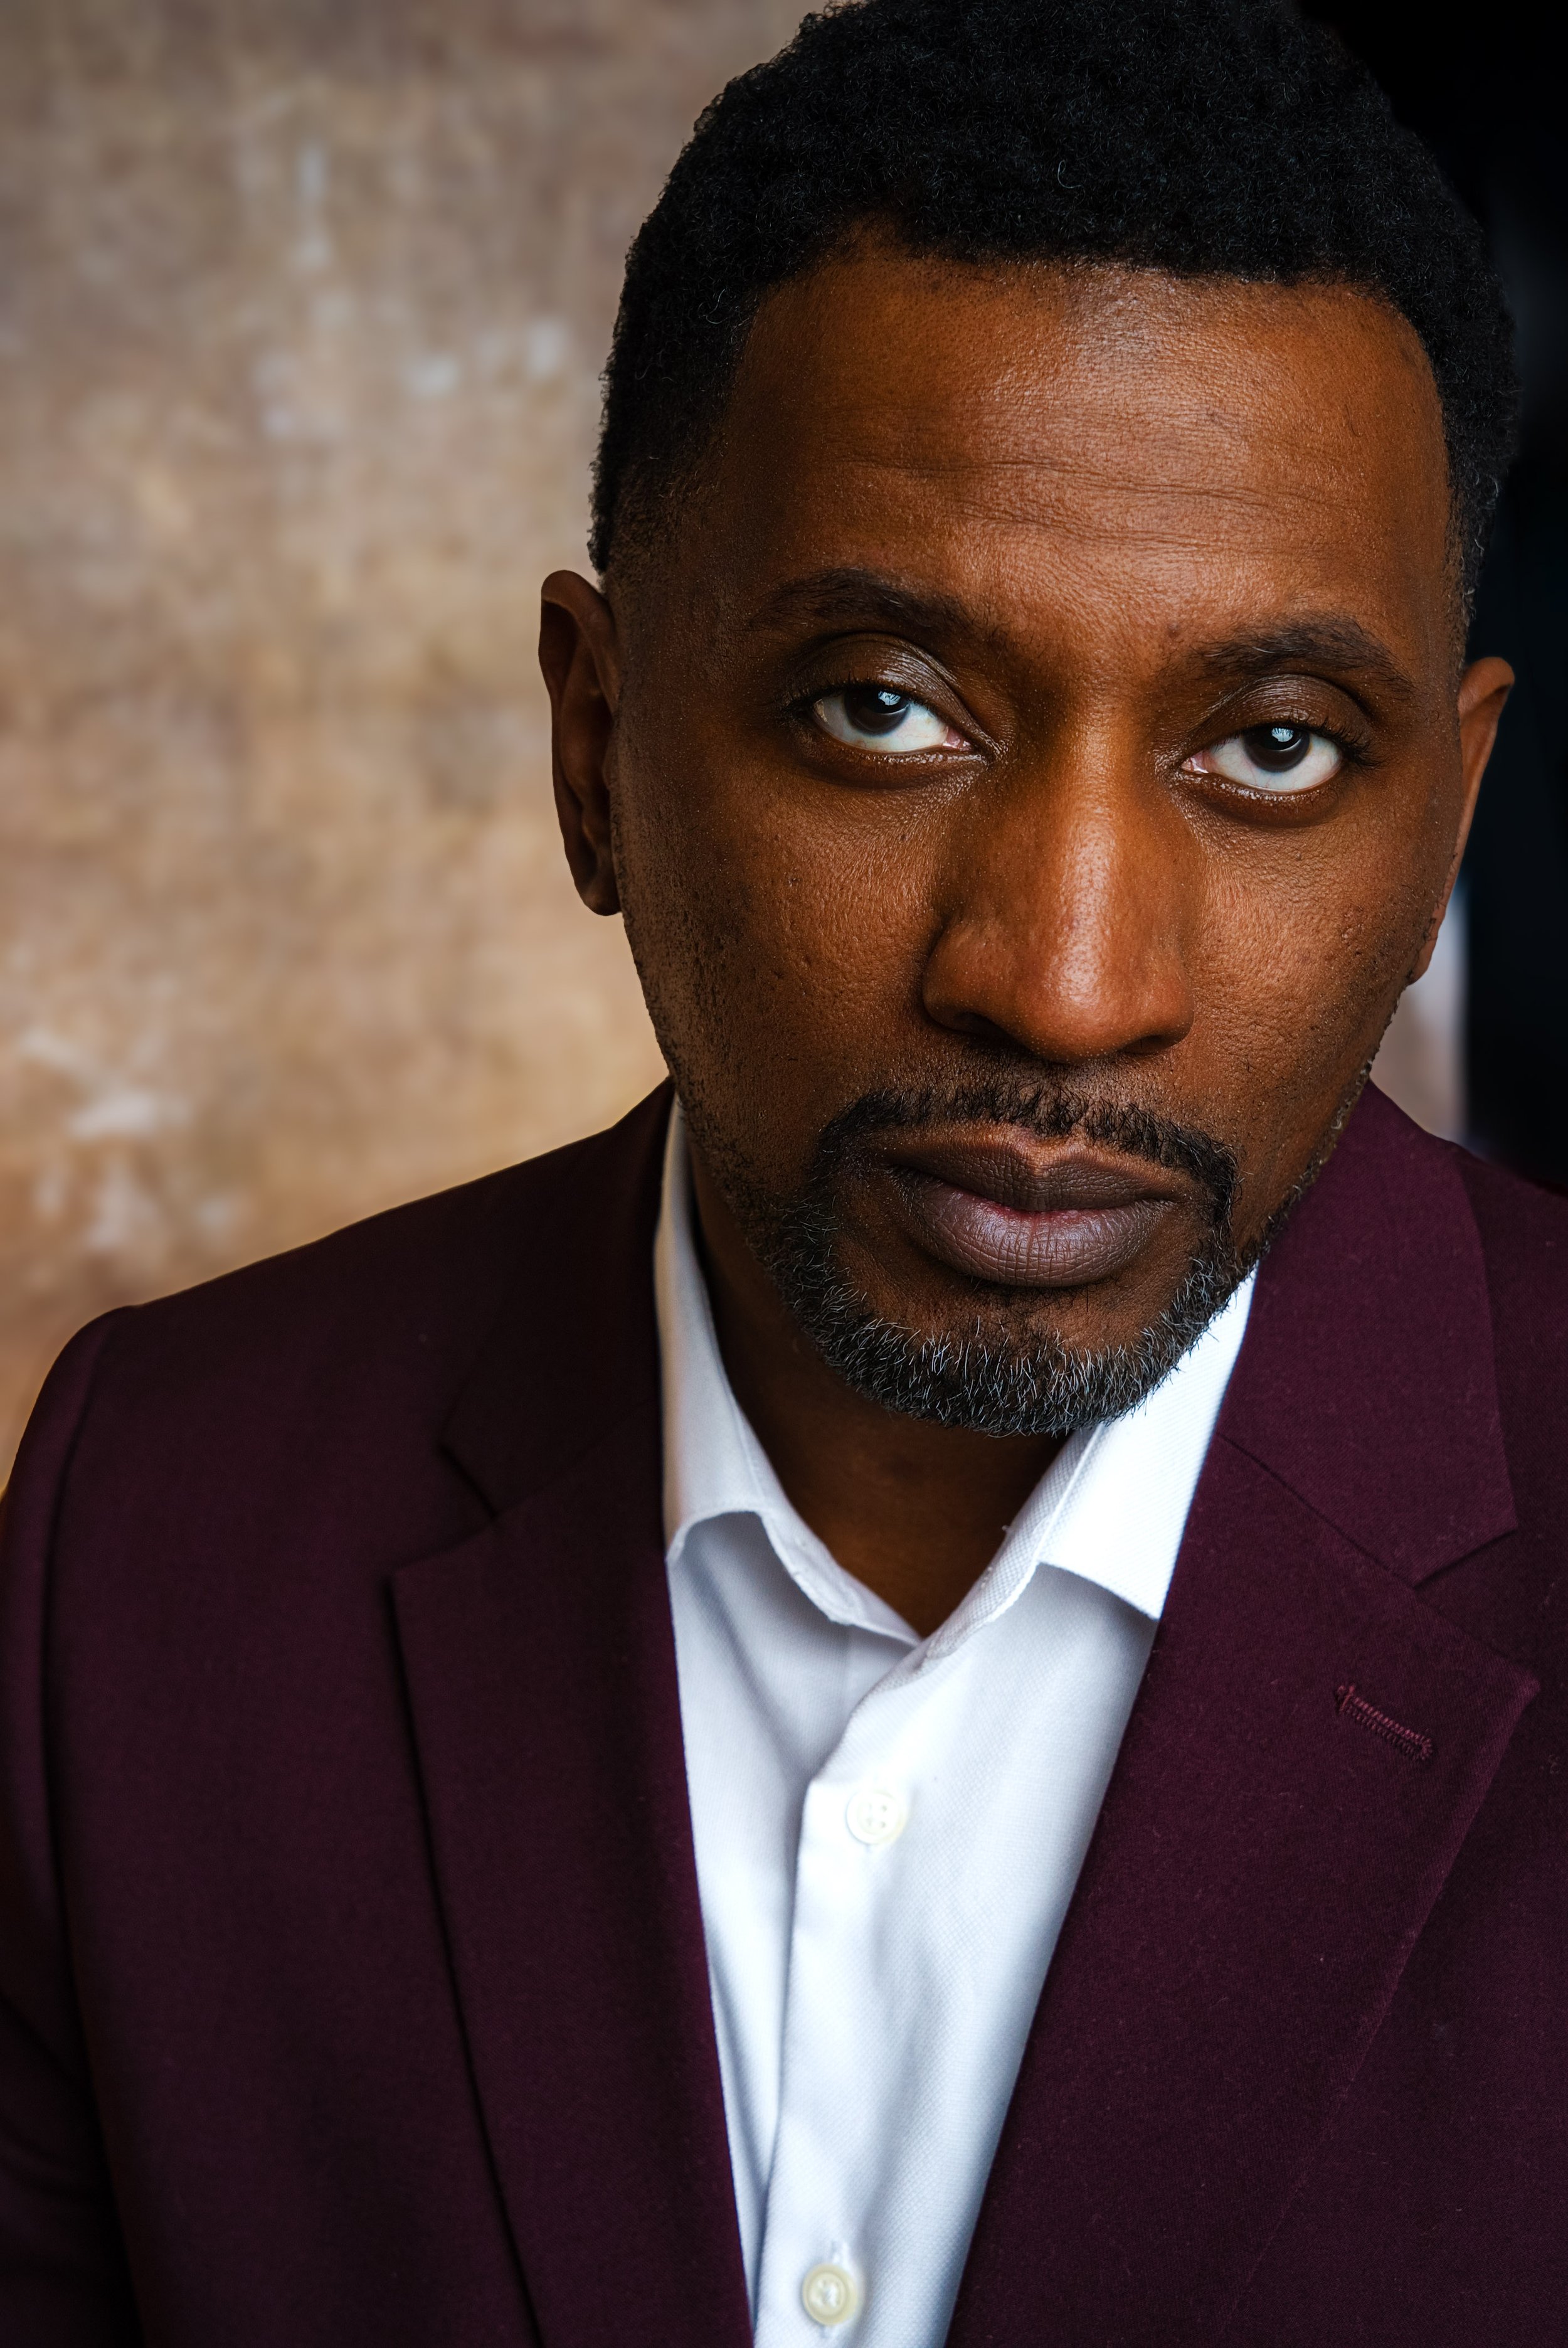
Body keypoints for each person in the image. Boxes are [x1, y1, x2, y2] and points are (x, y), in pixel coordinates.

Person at [1, 0, 1562, 2339]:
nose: (1057, 980)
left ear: (1441, 824)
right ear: (599, 746)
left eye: (1265, 745)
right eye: (886, 710)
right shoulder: (156, 1530)